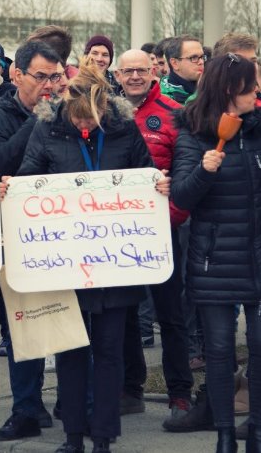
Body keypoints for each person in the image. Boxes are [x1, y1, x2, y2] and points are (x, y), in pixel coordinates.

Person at [15, 63, 169, 453]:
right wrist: (11, 189)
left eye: (91, 117)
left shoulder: (123, 128)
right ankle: (72, 436)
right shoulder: (47, 128)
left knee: (109, 352)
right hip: (65, 262)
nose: (84, 123)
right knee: (70, 350)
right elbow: (29, 177)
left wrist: (159, 185)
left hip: (115, 262)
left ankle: (103, 436)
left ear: (104, 106)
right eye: (78, 116)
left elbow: (145, 176)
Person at [171, 54, 261, 453]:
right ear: (229, 90)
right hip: (213, 261)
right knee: (219, 350)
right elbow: (182, 197)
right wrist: (204, 170)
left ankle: (259, 429)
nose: (257, 95)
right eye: (249, 88)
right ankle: (225, 434)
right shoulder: (193, 133)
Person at [0, 40, 63, 443]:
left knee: (67, 320)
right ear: (17, 75)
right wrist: (38, 119)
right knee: (22, 326)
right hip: (16, 237)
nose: (50, 85)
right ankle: (27, 408)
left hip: (63, 233)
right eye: (41, 76)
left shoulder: (69, 112)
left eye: (56, 77)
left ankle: (73, 402)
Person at [112, 50, 194, 427]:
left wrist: (171, 217)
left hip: (163, 231)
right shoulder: (106, 112)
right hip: (118, 232)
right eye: (127, 71)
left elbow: (185, 171)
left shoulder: (175, 113)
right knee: (126, 313)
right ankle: (131, 390)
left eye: (141, 70)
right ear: (117, 75)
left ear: (154, 72)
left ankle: (180, 393)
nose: (134, 76)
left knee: (171, 315)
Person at [161, 36, 204, 105]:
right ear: (175, 63)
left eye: (202, 57)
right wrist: (201, 92)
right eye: (194, 58)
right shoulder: (163, 97)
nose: (201, 62)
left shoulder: (211, 85)